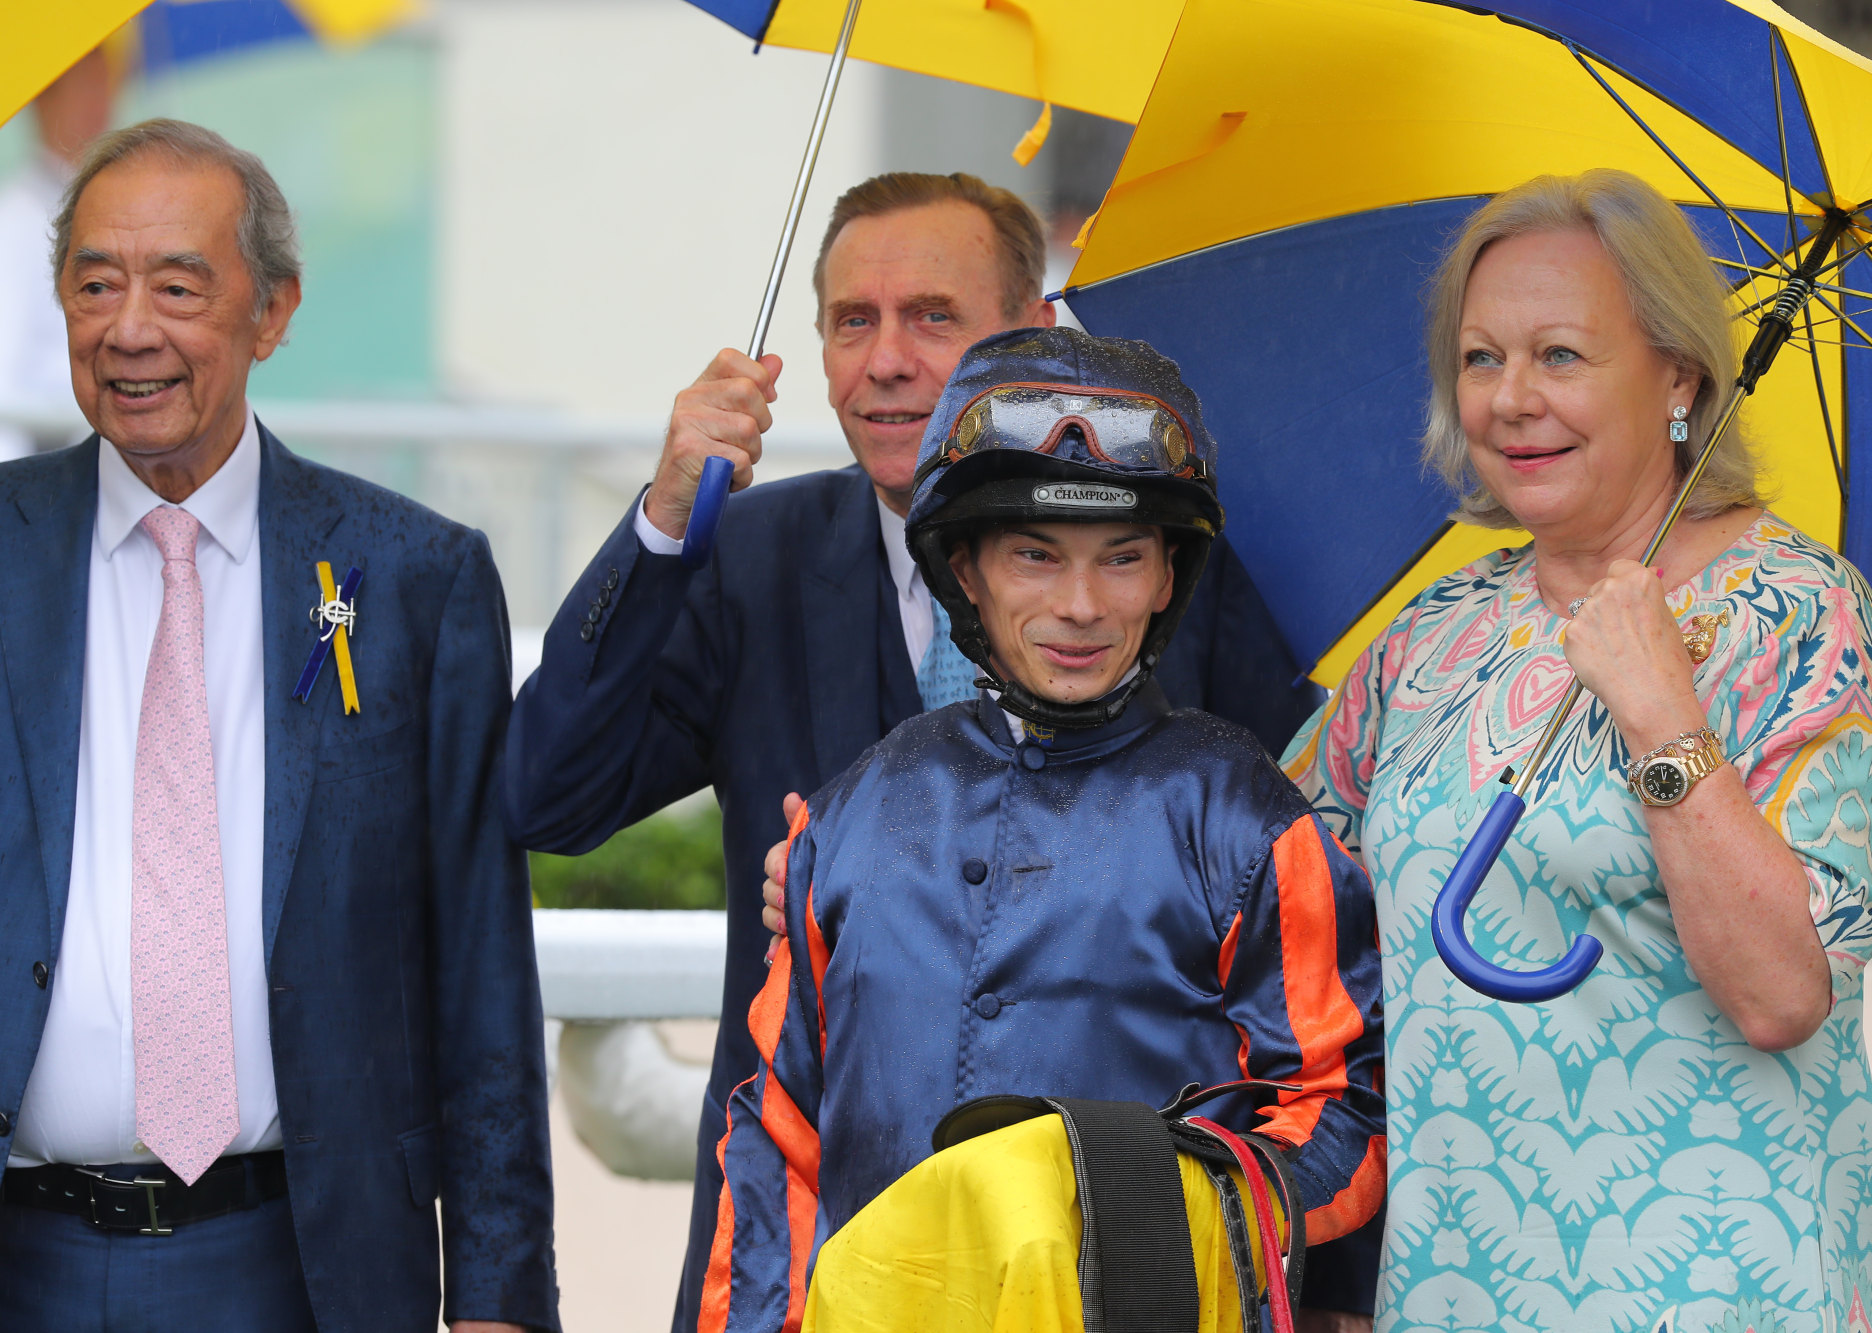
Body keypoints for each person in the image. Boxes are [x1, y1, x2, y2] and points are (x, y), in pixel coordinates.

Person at [505, 171, 1329, 1329]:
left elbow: (1298, 937)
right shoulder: (745, 556)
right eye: (852, 321)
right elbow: (547, 795)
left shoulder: (1186, 564)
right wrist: (660, 524)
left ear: (1033, 335)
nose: (884, 360)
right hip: (811, 1255)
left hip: (1118, 1273)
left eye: (932, 316)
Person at [1282, 170, 1872, 1331]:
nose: (1509, 399)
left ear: (1677, 376)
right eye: (1479, 358)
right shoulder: (1432, 633)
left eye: (1559, 355)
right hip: (1456, 1288)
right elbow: (1273, 890)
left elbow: (1779, 994)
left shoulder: (1797, 616)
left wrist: (1663, 719)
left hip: (1720, 1291)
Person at [702, 326, 1385, 1332]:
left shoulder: (1245, 818)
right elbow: (776, 1135)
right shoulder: (848, 813)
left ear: (1166, 579)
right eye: (1034, 555)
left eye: (1121, 558)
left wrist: (1174, 1210)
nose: (1079, 605)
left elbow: (1345, 1112)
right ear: (965, 571)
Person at [0, 120, 558, 1333]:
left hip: (306, 1263)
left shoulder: (411, 577)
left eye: (178, 285)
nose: (130, 327)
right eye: (95, 284)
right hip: (23, 1253)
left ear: (273, 311)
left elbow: (479, 962)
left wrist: (502, 1295)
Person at [0, 45, 119, 460]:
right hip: (43, 470)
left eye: (107, 82)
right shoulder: (12, 223)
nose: (100, 101)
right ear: (42, 99)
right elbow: (5, 385)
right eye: (83, 85)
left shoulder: (115, 213)